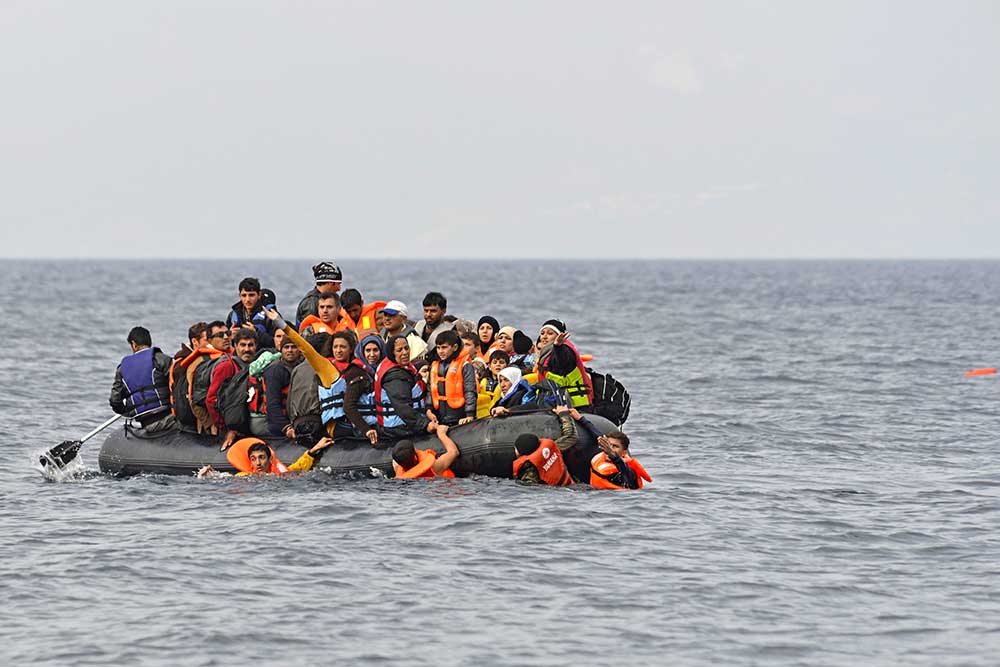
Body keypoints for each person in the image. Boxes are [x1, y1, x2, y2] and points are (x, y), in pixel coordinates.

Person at [109, 326, 176, 432]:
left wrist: (127, 412)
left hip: (146, 423)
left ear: (134, 344)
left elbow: (115, 401)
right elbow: (178, 384)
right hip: (170, 418)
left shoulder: (122, 369)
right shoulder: (162, 359)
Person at [207, 328, 258, 449]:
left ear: (256, 346)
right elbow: (211, 400)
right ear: (235, 346)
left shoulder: (257, 366)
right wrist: (226, 429)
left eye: (250, 345)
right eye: (242, 345)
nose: (247, 349)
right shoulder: (226, 366)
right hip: (230, 427)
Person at [376, 335, 434, 438]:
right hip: (398, 427)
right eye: (399, 350)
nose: (405, 352)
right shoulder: (395, 376)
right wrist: (425, 425)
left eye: (406, 348)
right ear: (392, 353)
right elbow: (402, 407)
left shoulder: (393, 364)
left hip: (405, 423)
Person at [511, 405, 581, 485]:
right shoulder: (552, 449)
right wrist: (564, 415)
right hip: (571, 486)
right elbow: (571, 436)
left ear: (519, 452)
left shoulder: (530, 473)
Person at [197, 437, 334, 477]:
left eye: (261, 457)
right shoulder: (243, 477)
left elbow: (300, 466)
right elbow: (225, 479)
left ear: (270, 460)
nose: (258, 463)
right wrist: (210, 474)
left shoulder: (281, 473)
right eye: (254, 459)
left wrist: (315, 448)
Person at [536, 320, 593, 410]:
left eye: (550, 333)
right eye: (542, 333)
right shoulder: (547, 352)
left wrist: (558, 347)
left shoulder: (566, 349)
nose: (544, 337)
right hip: (555, 400)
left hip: (576, 405)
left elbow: (562, 363)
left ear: (560, 335)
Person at [426, 330, 477, 426]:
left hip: (459, 416)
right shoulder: (434, 365)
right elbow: (430, 389)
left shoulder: (465, 365)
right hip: (439, 416)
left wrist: (470, 414)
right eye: (438, 348)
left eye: (444, 347)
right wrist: (429, 409)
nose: (441, 351)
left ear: (455, 347)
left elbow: (470, 390)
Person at [286, 331, 331, 437]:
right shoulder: (324, 367)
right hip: (318, 421)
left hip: (297, 423)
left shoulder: (297, 369)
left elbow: (289, 401)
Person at [345, 334, 387, 445]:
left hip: (380, 424)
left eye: (375, 350)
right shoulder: (356, 373)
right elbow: (348, 406)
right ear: (362, 352)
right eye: (368, 350)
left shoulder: (382, 370)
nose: (372, 354)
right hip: (363, 429)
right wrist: (366, 429)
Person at [259, 336, 303, 439]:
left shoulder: (301, 367)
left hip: (296, 420)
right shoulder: (274, 371)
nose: (290, 350)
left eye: (293, 347)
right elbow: (272, 404)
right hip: (278, 426)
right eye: (286, 347)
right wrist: (285, 427)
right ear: (281, 350)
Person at [391, 424, 460, 478]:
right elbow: (454, 452)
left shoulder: (397, 469)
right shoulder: (435, 467)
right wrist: (442, 434)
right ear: (415, 457)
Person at [225, 277, 276, 348]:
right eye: (244, 295)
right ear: (239, 296)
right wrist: (230, 335)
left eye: (251, 295)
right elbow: (225, 342)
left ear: (259, 295)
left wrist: (256, 333)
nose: (247, 299)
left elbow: (278, 343)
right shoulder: (232, 315)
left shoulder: (271, 315)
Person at [296, 261, 342, 327]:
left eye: (329, 307)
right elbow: (308, 333)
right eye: (338, 284)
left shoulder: (321, 299)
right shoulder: (311, 303)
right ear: (330, 283)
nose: (339, 288)